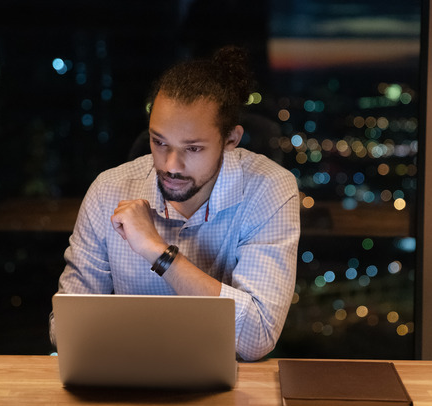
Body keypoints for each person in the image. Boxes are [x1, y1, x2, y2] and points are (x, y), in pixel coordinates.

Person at [51, 46, 300, 361]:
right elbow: (63, 328)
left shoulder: (269, 188)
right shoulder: (108, 190)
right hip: (127, 375)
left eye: (193, 148)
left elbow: (257, 338)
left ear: (231, 139)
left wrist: (157, 252)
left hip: (231, 391)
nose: (171, 165)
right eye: (159, 142)